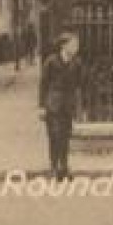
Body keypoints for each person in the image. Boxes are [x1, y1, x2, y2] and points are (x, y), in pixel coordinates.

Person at [38, 33, 84, 181]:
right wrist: (41, 106)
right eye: (73, 44)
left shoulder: (77, 63)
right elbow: (43, 84)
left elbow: (79, 84)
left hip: (68, 105)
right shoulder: (51, 61)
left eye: (76, 45)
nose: (76, 47)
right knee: (54, 136)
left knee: (65, 136)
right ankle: (53, 167)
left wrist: (78, 107)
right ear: (64, 45)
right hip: (53, 104)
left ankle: (64, 166)